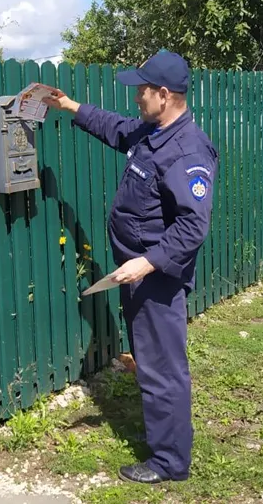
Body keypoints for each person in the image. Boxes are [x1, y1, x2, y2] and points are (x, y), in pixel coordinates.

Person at [43, 50, 217, 485]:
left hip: (156, 278)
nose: (136, 97)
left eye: (142, 90)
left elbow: (193, 226)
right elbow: (117, 130)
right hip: (136, 272)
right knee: (150, 360)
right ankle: (165, 436)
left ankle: (169, 462)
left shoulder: (186, 150)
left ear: (164, 94)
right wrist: (70, 107)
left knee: (162, 368)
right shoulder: (155, 130)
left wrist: (147, 262)